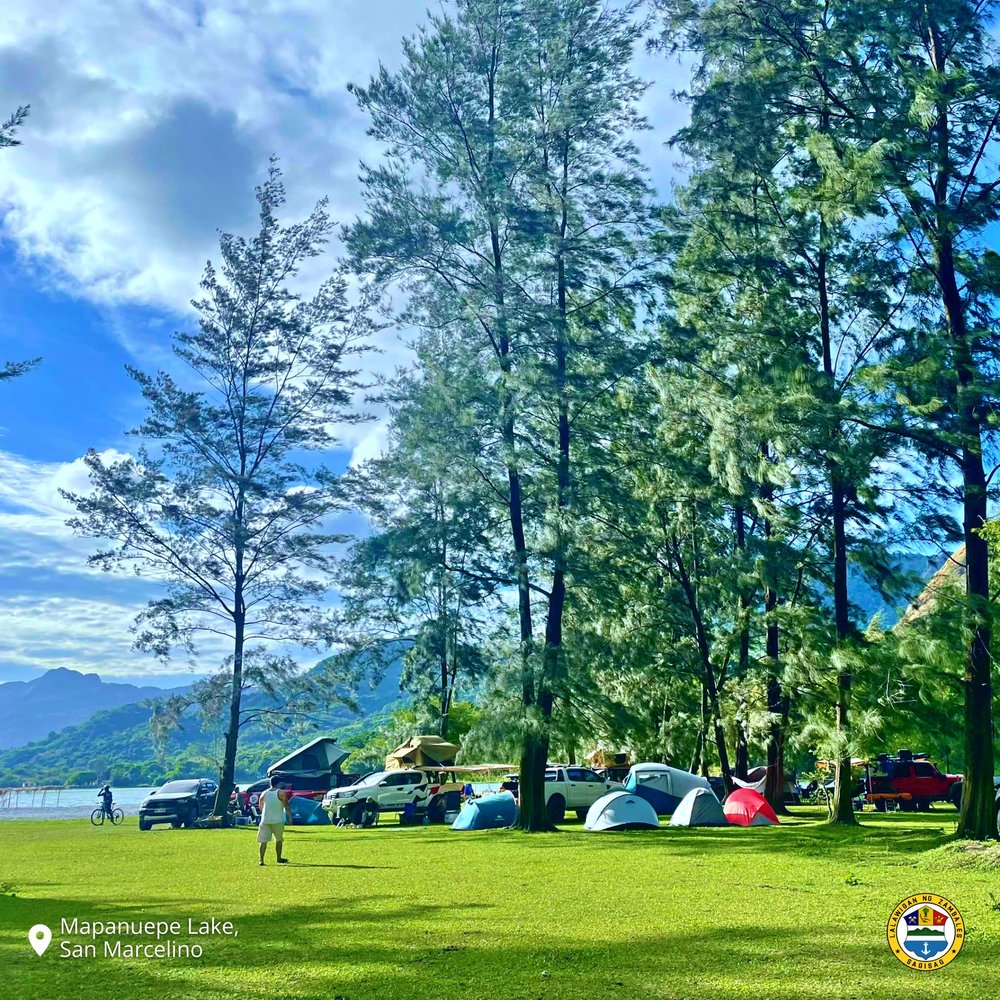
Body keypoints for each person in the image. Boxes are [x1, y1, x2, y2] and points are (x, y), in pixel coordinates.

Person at [257, 776, 291, 866]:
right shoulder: (281, 793)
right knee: (278, 840)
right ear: (278, 783)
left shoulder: (264, 793)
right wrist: (290, 818)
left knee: (263, 841)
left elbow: (260, 806)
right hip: (278, 820)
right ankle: (278, 858)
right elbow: (286, 806)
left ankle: (261, 860)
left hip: (265, 820)